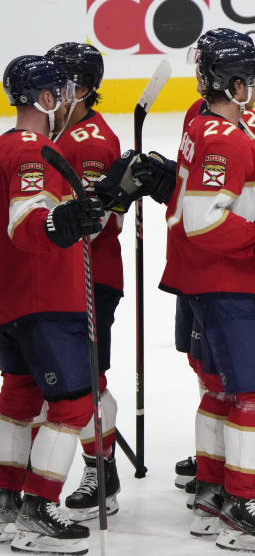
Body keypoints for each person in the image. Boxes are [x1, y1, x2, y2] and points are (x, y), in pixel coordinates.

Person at [162, 38, 255, 553]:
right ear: (237, 85)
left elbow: (215, 194)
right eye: (251, 79)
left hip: (208, 280)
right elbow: (204, 221)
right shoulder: (227, 140)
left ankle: (212, 491)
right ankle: (240, 504)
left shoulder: (206, 125)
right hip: (230, 281)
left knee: (219, 387)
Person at [0, 55, 105, 554]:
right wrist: (59, 225)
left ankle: (5, 504)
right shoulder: (31, 149)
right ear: (45, 98)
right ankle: (38, 509)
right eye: (61, 92)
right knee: (75, 402)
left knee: (20, 398)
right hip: (46, 297)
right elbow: (27, 221)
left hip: (15, 297)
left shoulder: (10, 145)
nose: (67, 100)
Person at [42, 42, 124, 520]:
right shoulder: (61, 132)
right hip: (63, 278)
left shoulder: (90, 141)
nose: (56, 92)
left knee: (90, 380)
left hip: (91, 279)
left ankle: (102, 471)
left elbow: (97, 222)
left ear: (86, 89)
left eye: (66, 84)